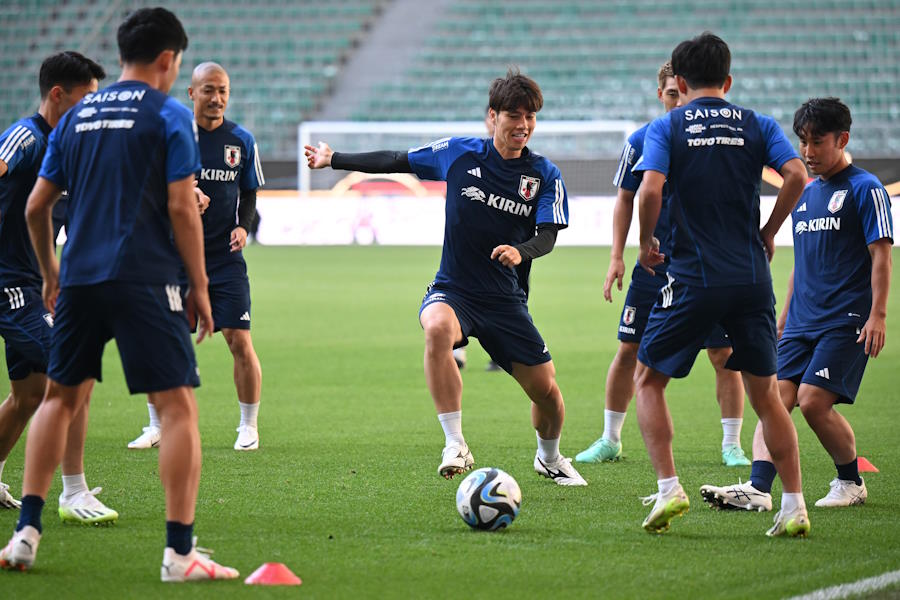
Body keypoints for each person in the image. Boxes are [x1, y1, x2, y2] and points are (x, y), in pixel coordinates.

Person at [0, 8, 238, 581]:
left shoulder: (76, 115)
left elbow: (37, 206)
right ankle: (179, 555)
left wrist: (52, 274)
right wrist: (200, 286)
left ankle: (25, 537)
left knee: (58, 398)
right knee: (178, 407)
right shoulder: (168, 114)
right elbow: (183, 206)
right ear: (168, 59)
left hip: (77, 277)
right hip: (145, 279)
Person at [305, 68, 587, 486]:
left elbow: (547, 236)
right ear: (493, 116)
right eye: (514, 115)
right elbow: (398, 160)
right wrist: (335, 160)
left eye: (530, 117)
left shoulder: (545, 175)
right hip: (454, 289)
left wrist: (519, 251)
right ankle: (455, 442)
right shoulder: (458, 153)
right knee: (436, 327)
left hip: (506, 301)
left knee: (547, 394)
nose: (523, 125)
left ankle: (549, 457)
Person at [631, 32, 810, 536]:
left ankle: (669, 489)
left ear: (680, 82)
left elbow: (649, 188)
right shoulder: (757, 124)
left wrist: (646, 242)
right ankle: (794, 506)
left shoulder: (668, 126)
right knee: (767, 397)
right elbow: (796, 174)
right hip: (751, 276)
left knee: (648, 380)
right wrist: (769, 232)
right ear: (728, 81)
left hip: (693, 275)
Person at [700, 98, 892, 511]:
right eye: (802, 142)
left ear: (842, 139)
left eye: (817, 142)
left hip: (846, 320)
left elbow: (881, 254)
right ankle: (757, 489)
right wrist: (784, 317)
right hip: (801, 320)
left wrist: (878, 315)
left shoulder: (866, 188)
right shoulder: (805, 195)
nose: (807, 152)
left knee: (813, 401)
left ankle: (850, 481)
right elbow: (801, 264)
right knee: (772, 396)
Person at [576, 61, 749, 467]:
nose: (677, 101)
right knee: (628, 349)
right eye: (670, 94)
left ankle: (731, 446)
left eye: (682, 93)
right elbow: (625, 198)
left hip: (707, 268)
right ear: (661, 95)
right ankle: (610, 439)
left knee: (723, 354)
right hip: (653, 268)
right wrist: (617, 256)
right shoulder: (641, 140)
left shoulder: (713, 143)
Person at [0, 52, 119, 525]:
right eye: (85, 98)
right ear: (57, 95)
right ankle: (74, 492)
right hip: (11, 285)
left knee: (29, 394)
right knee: (75, 371)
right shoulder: (27, 137)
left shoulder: (68, 145)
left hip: (34, 283)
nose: (91, 108)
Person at [127, 61, 265, 452]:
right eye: (208, 90)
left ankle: (248, 426)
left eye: (222, 90)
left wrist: (243, 225)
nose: (216, 98)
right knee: (160, 341)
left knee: (239, 339)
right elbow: (147, 185)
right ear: (191, 93)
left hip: (223, 258)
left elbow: (249, 191)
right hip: (171, 258)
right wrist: (186, 193)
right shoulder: (169, 135)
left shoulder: (241, 140)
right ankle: (155, 425)